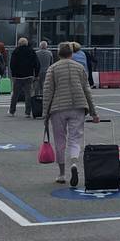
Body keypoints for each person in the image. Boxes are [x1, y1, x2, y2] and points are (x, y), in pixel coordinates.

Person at [42, 43, 99, 187]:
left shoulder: (52, 69)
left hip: (58, 108)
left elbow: (48, 92)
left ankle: (61, 174)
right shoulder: (79, 68)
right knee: (75, 139)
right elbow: (87, 91)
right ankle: (74, 163)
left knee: (60, 141)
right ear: (71, 54)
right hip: (78, 106)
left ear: (58, 54)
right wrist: (93, 113)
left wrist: (45, 113)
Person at [8, 37, 40, 118]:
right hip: (29, 75)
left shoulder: (16, 51)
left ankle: (12, 111)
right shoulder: (31, 51)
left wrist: (13, 74)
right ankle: (27, 112)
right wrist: (36, 74)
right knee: (28, 94)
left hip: (18, 76)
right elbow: (36, 64)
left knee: (15, 94)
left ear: (19, 43)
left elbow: (12, 64)